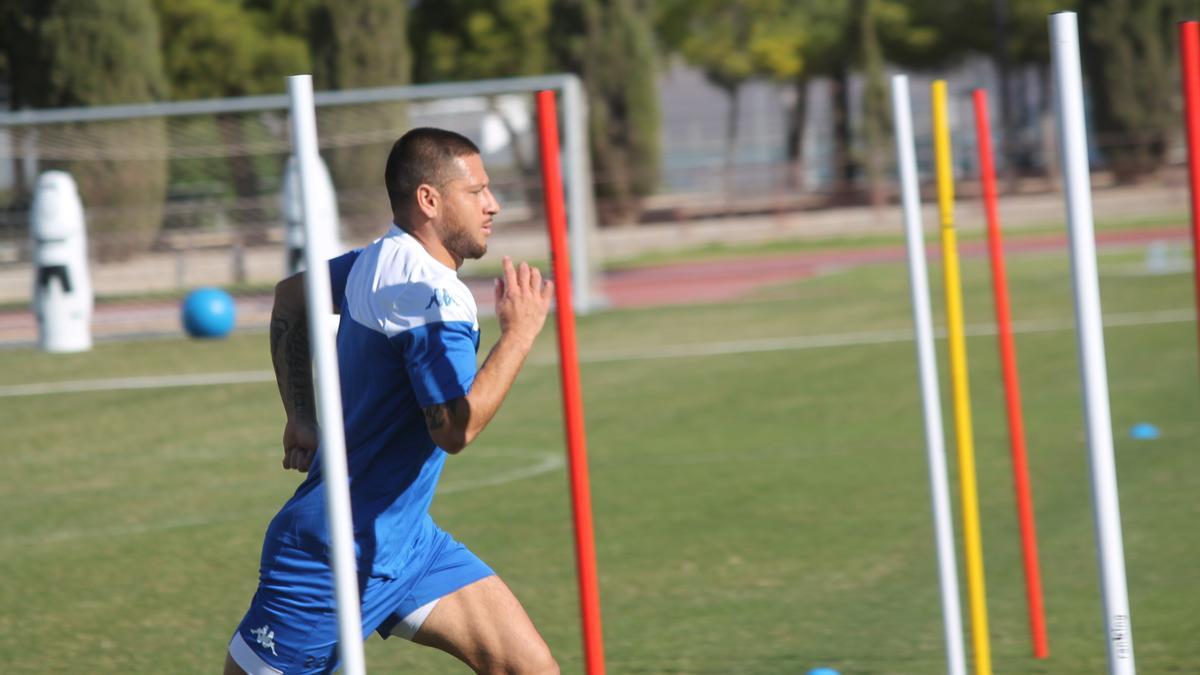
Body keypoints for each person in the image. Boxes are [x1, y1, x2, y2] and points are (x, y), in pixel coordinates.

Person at [224, 128, 559, 675]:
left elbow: (291, 297)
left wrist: (300, 415)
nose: (492, 205)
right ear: (429, 199)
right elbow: (454, 429)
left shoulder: (380, 259)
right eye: (476, 192)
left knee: (529, 668)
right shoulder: (431, 298)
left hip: (405, 543)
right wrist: (518, 334)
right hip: (332, 558)